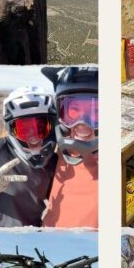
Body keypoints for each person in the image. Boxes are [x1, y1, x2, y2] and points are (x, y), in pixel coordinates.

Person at [0, 86, 58, 227]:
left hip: (32, 234)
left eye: (41, 129)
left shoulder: (53, 161)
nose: (33, 138)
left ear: (52, 127)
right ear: (11, 129)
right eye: (24, 130)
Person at [41, 66, 98, 228]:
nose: (82, 125)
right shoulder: (56, 149)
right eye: (73, 111)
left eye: (96, 112)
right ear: (60, 114)